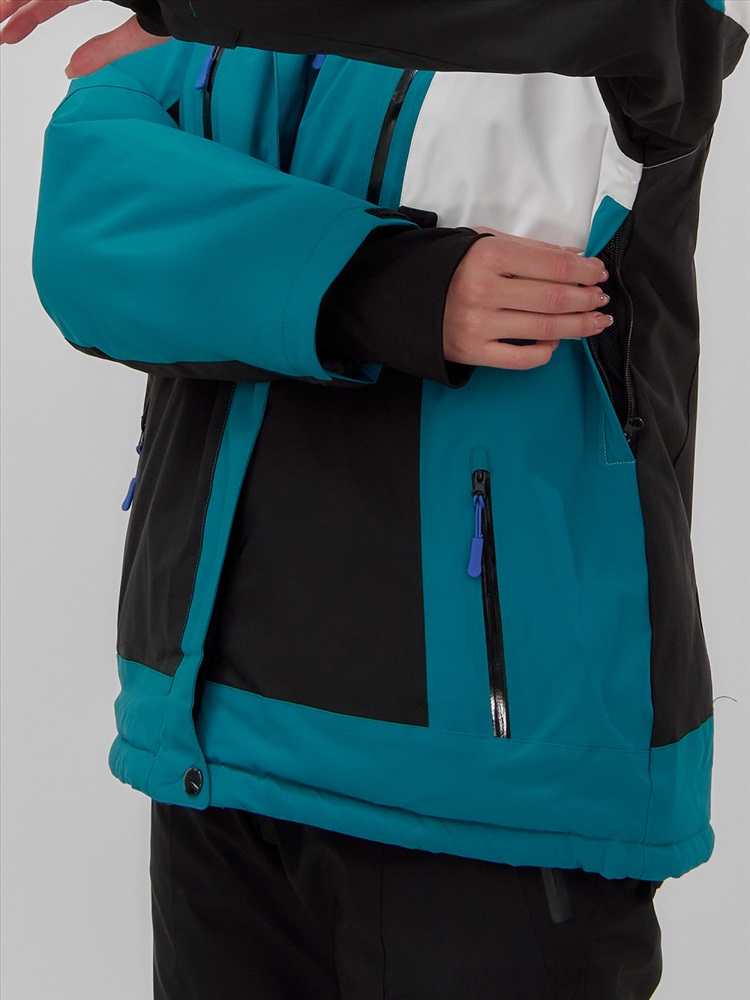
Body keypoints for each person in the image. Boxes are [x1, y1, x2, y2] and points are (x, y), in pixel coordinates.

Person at [11, 1, 749, 997]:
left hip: (501, 781)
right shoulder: (217, 27)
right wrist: (386, 283)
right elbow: (89, 230)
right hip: (219, 744)